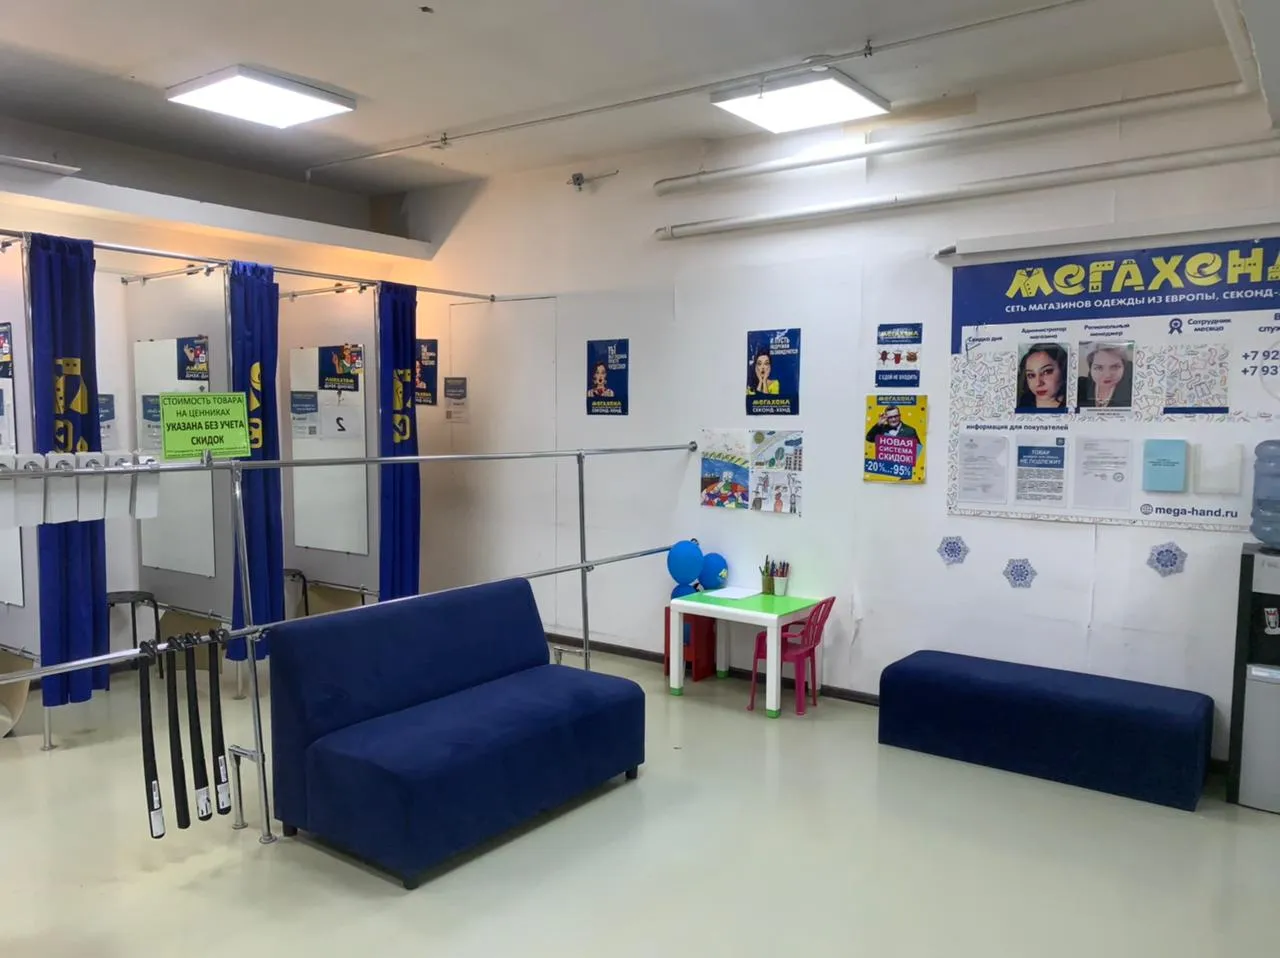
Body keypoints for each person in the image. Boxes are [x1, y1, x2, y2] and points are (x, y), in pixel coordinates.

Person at [1078, 343, 1133, 409]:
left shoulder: (1132, 392)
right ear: (1091, 368)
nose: (1107, 375)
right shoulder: (1081, 389)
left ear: (1124, 367)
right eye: (1099, 368)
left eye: (1115, 367)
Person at [1016, 344, 1068, 411]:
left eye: (1046, 372)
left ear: (1063, 370)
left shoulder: (1075, 402)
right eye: (1031, 375)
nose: (1038, 383)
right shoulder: (1023, 402)